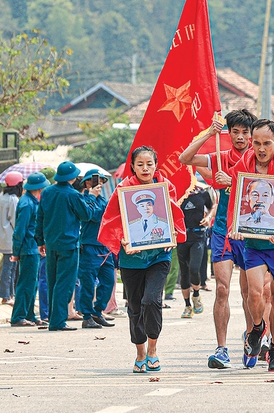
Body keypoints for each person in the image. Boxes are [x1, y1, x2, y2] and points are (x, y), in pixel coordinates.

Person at [224, 119, 274, 372]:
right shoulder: (244, 166)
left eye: (266, 143)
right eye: (256, 143)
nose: (261, 149)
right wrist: (234, 229)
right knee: (255, 292)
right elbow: (236, 202)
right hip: (253, 242)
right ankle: (257, 327)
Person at [178, 108, 257, 369]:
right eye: (235, 132)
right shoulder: (220, 157)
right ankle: (221, 349)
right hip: (223, 230)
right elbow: (185, 158)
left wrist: (232, 180)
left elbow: (266, 189)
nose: (240, 137)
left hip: (250, 231)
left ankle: (251, 337)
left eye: (245, 132)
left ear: (252, 134)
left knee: (250, 293)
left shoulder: (260, 159)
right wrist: (208, 133)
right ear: (229, 133)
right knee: (222, 289)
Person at [98, 146, 186, 373]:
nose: (145, 168)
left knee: (151, 301)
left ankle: (153, 350)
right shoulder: (123, 190)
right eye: (140, 164)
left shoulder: (166, 187)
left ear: (156, 165)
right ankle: (140, 352)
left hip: (159, 256)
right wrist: (123, 241)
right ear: (133, 167)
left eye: (150, 164)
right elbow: (112, 220)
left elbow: (175, 216)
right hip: (132, 259)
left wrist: (172, 235)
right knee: (135, 306)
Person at [35, 161, 98, 331]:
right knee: (66, 283)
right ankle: (58, 321)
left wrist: (40, 240)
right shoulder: (73, 195)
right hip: (69, 244)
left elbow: (40, 216)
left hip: (51, 243)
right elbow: (86, 215)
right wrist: (91, 197)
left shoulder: (47, 192)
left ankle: (53, 318)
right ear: (72, 178)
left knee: (53, 281)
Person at [76, 169, 116, 329]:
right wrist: (92, 196)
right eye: (95, 180)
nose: (99, 183)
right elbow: (91, 215)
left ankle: (97, 311)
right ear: (87, 183)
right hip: (90, 245)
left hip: (105, 246)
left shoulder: (103, 200)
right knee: (88, 282)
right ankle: (86, 315)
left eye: (101, 181)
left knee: (108, 281)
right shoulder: (84, 199)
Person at [10, 172, 49, 327]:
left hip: (32, 248)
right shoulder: (27, 204)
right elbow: (20, 230)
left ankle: (30, 315)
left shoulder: (31, 201)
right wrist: (16, 251)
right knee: (26, 284)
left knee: (32, 284)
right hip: (28, 248)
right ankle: (18, 316)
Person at [177, 186, 213, 319]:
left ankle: (196, 294)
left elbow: (212, 207)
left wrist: (208, 218)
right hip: (182, 237)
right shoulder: (178, 194)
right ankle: (187, 306)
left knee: (194, 268)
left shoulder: (203, 193)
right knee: (184, 272)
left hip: (198, 237)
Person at [0, 171, 23, 305]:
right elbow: (15, 220)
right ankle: (6, 295)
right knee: (10, 267)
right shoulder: (13, 199)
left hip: (1, 236)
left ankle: (9, 294)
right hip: (9, 237)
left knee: (9, 266)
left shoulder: (2, 196)